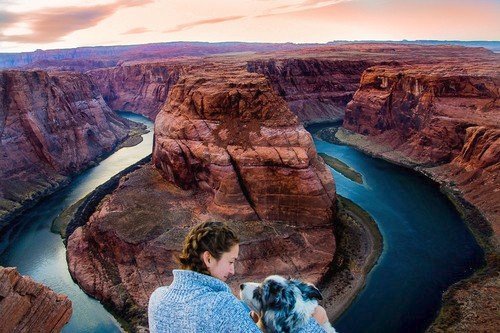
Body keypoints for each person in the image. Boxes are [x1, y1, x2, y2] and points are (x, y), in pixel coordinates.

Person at [148, 221, 328, 332]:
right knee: (318, 314)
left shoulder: (157, 298)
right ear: (208, 258)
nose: (233, 271)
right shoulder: (221, 304)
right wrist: (312, 322)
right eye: (231, 261)